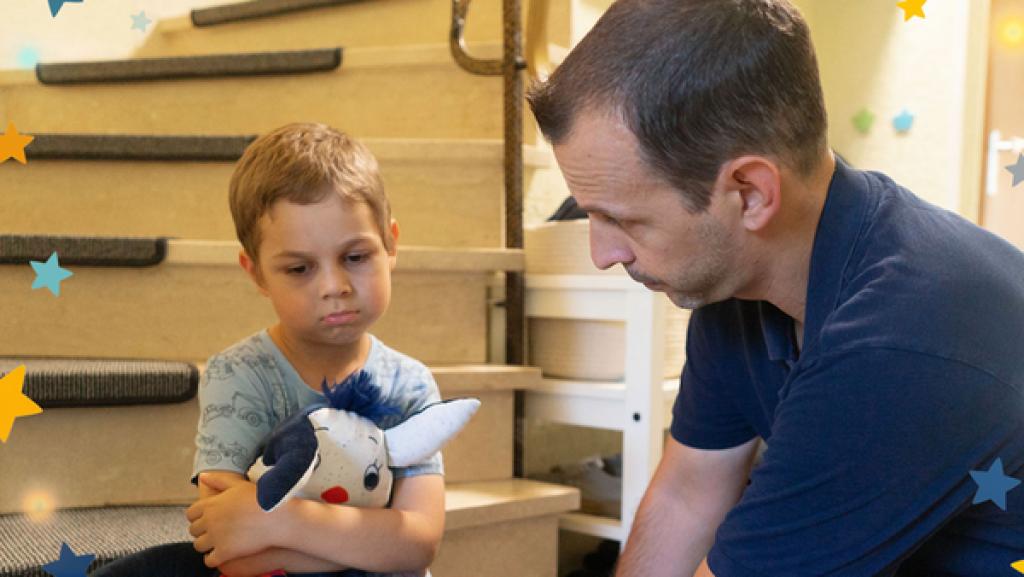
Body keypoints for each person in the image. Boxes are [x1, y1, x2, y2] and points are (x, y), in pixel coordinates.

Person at [527, 0, 1024, 575]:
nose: (601, 254)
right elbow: (688, 494)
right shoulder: (736, 290)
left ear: (752, 193)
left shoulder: (899, 340)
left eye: (624, 220)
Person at [90, 123, 444, 577]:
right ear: (256, 273)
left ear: (391, 244)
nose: (335, 287)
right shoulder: (239, 375)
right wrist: (367, 538)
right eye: (299, 268)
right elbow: (230, 545)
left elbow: (417, 543)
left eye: (355, 257)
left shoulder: (409, 384)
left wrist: (281, 525)